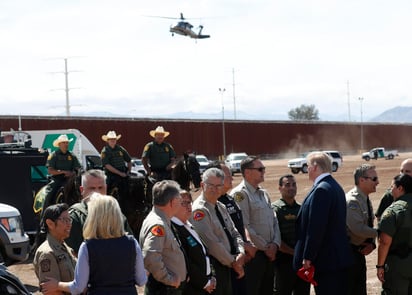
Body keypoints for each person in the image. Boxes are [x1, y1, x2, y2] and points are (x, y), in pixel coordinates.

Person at [40, 194, 147, 294]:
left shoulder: (87, 246)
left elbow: (78, 287)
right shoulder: (132, 243)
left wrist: (57, 285)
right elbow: (141, 281)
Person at [293, 151, 352, 294]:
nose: (306, 170)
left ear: (314, 167)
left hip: (326, 260)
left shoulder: (322, 190)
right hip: (333, 258)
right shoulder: (334, 186)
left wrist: (308, 256)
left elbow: (316, 227)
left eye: (307, 166)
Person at [230, 155, 281, 295]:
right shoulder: (240, 194)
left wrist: (275, 244)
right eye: (260, 169)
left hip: (270, 254)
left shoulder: (264, 193)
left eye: (263, 168)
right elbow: (244, 225)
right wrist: (266, 248)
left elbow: (274, 220)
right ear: (247, 172)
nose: (263, 171)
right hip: (255, 256)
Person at [191, 168, 245, 295]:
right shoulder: (199, 211)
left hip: (229, 265)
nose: (215, 189)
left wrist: (240, 252)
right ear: (202, 185)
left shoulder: (221, 206)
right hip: (216, 268)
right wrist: (234, 263)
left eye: (219, 186)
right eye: (211, 186)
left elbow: (234, 233)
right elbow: (212, 244)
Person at [206, 160, 256, 295]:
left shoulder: (229, 199)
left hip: (241, 257)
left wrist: (248, 244)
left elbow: (240, 225)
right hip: (229, 263)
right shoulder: (212, 205)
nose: (231, 178)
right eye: (228, 176)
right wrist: (243, 250)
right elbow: (217, 238)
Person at [65, 169, 133, 255]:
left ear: (106, 188)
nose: (97, 192)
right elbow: (71, 253)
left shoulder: (117, 214)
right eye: (92, 188)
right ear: (82, 190)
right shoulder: (75, 216)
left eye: (101, 188)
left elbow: (130, 246)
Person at [139, 180, 187, 294]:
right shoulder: (158, 225)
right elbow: (150, 256)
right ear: (172, 202)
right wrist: (169, 280)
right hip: (164, 289)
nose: (181, 203)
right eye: (180, 200)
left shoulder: (162, 220)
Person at [171, 190, 217, 294]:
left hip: (206, 285)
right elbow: (186, 262)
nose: (188, 206)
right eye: (183, 203)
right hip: (193, 288)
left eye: (189, 202)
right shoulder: (175, 229)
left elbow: (205, 253)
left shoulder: (188, 225)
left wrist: (212, 276)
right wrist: (205, 283)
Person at [271, 174, 310, 295]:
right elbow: (275, 237)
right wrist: (294, 252)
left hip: (301, 262)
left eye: (294, 184)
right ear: (280, 188)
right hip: (283, 262)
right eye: (287, 185)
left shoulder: (301, 208)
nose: (291, 188)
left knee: (303, 291)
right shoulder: (275, 209)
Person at [346, 164, 379, 295]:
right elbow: (358, 228)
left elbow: (368, 225)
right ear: (362, 180)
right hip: (348, 256)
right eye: (374, 178)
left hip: (358, 254)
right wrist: (381, 232)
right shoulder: (352, 201)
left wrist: (371, 243)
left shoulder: (364, 198)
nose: (378, 182)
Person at [376, 174, 412, 293]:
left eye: (392, 187)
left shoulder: (393, 211)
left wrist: (380, 266)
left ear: (400, 188)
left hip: (398, 265)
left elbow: (385, 242)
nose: (390, 190)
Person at [33, 203, 76, 294]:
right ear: (50, 224)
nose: (69, 224)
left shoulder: (64, 247)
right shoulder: (47, 253)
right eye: (65, 220)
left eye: (69, 220)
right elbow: (51, 291)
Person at [43, 134, 81, 211]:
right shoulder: (54, 155)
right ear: (59, 144)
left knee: (80, 192)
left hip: (70, 180)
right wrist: (63, 172)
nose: (66, 144)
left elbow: (77, 168)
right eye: (64, 143)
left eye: (67, 142)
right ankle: (44, 214)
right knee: (49, 194)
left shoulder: (72, 155)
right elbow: (50, 170)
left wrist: (73, 173)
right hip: (57, 179)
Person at [101, 130, 132, 211]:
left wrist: (128, 170)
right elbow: (107, 165)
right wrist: (119, 173)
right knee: (106, 190)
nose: (113, 141)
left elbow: (129, 160)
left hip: (123, 173)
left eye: (114, 139)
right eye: (111, 139)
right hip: (111, 175)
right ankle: (105, 207)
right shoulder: (105, 151)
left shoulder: (121, 149)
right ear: (107, 141)